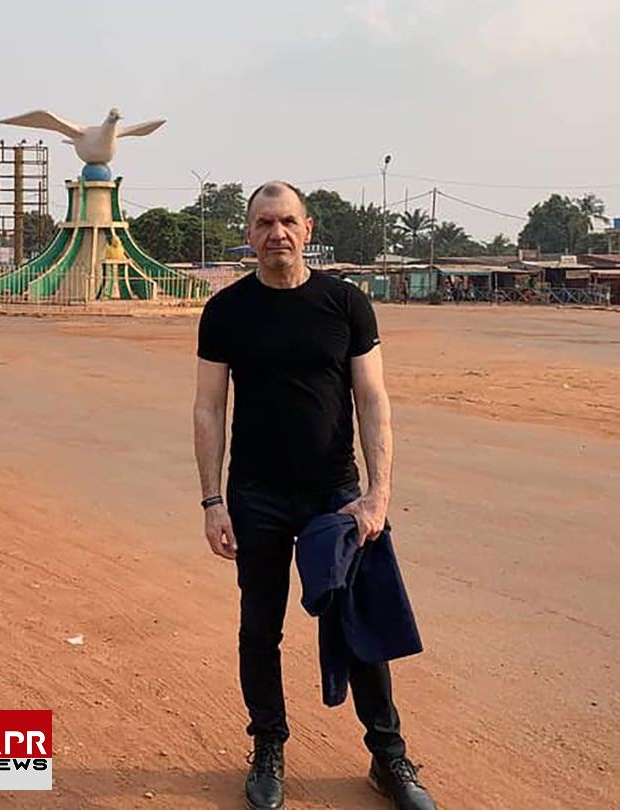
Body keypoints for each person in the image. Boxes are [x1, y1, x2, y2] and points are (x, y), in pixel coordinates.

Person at [193, 182, 436, 810]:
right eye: (264, 223)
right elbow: (209, 407)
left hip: (336, 496)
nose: (277, 233)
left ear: (308, 228)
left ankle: (388, 758)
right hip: (257, 496)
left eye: (288, 222)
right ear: (248, 234)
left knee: (360, 625)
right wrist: (211, 500)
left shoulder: (346, 303)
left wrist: (378, 494)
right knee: (259, 627)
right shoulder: (226, 312)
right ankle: (268, 746)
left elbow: (373, 402)